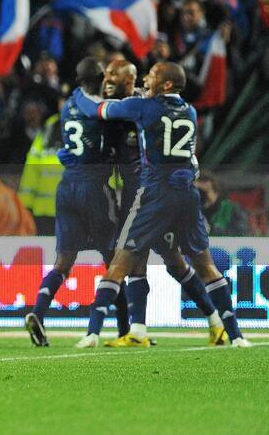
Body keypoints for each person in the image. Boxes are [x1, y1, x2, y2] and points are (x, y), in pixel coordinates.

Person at [72, 62, 251, 349]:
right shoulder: (190, 111)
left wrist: (79, 94)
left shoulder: (143, 108)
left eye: (152, 75)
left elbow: (98, 111)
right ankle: (235, 335)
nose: (146, 77)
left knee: (121, 263)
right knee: (203, 266)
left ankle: (92, 332)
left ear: (166, 84)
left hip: (154, 194)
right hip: (186, 195)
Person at [24, 59, 123, 348]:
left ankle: (38, 311)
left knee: (63, 263)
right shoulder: (101, 109)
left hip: (66, 187)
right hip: (93, 187)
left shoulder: (67, 108)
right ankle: (124, 328)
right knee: (116, 261)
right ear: (102, 78)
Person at [195, 172, 251, 236]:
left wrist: (212, 229)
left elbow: (241, 231)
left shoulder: (232, 208)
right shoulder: (197, 211)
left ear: (209, 184)